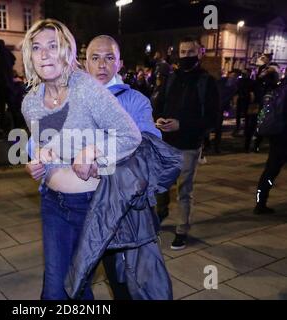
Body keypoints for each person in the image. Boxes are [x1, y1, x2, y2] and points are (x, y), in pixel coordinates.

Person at [21, 19, 142, 300]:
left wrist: (94, 151)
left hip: (89, 207)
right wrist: (37, 161)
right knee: (56, 289)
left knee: (74, 285)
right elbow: (43, 146)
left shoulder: (87, 89)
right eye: (36, 47)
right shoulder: (30, 102)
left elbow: (130, 136)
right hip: (52, 204)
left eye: (53, 46)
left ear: (67, 51)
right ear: (29, 55)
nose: (44, 54)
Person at [155, 36, 220, 250]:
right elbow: (160, 104)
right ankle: (160, 213)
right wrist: (159, 119)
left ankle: (182, 229)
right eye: (182, 52)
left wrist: (181, 125)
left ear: (199, 53)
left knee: (184, 189)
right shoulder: (172, 78)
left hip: (189, 145)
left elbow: (212, 118)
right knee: (162, 184)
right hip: (167, 144)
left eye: (190, 52)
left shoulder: (206, 81)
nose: (186, 56)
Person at [254, 66, 287, 215]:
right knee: (271, 170)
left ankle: (260, 202)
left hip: (277, 135)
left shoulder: (279, 89)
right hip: (284, 134)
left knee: (270, 170)